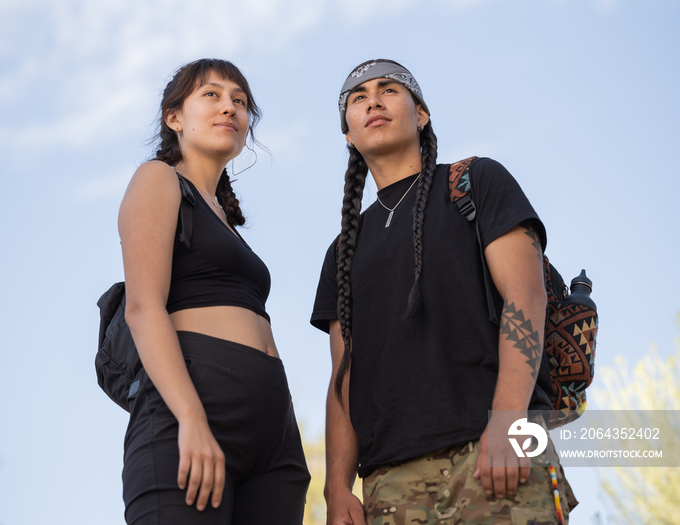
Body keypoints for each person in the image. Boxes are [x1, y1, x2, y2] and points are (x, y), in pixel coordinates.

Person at [311, 59, 577, 524]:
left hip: (496, 448)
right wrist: (337, 489)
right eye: (358, 97)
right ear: (348, 135)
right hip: (388, 483)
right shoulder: (341, 252)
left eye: (389, 89)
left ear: (421, 114)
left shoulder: (477, 182)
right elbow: (343, 378)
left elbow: (526, 299)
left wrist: (509, 420)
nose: (373, 99)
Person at [118, 58, 310, 524]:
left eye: (240, 101)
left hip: (274, 431)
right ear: (174, 118)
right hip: (193, 412)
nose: (230, 107)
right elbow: (143, 308)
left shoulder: (224, 219)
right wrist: (191, 418)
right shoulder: (158, 179)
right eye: (212, 95)